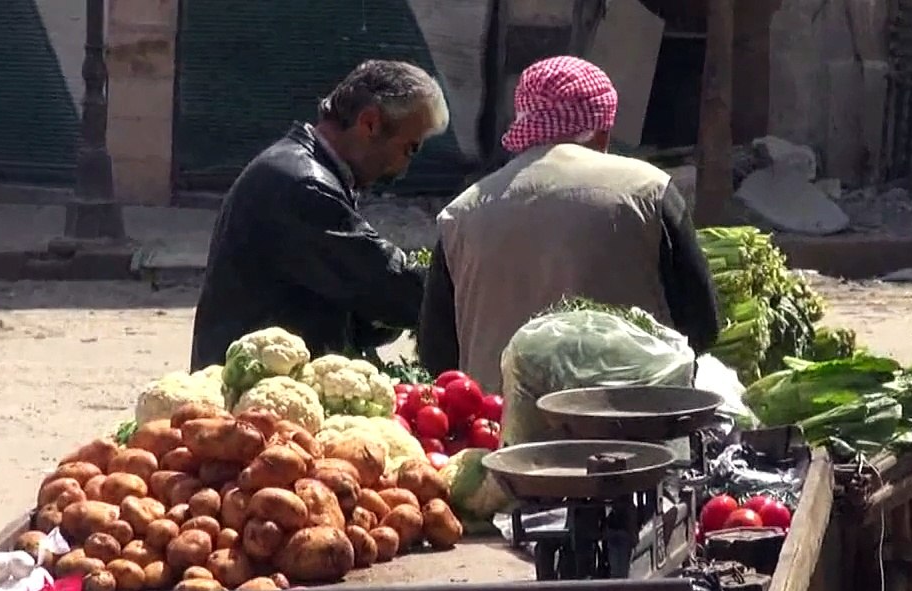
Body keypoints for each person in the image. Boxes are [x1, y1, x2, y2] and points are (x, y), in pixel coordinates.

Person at [416, 56, 720, 391]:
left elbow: (437, 355)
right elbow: (702, 326)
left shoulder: (460, 213)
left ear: (524, 125)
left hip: (501, 417)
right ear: (603, 128)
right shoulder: (649, 189)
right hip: (630, 413)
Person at [189, 60, 451, 371]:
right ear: (369, 123)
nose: (404, 167)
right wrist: (458, 283)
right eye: (409, 148)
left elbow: (360, 304)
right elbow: (390, 287)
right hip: (248, 385)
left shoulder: (305, 171)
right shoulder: (304, 185)